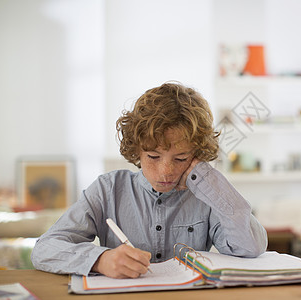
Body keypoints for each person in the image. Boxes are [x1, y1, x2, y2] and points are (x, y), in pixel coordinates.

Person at [31, 82, 268, 279]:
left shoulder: (206, 195)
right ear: (137, 150)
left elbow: (251, 247)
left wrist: (205, 177)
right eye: (153, 156)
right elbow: (44, 249)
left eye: (181, 158)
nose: (166, 171)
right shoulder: (107, 190)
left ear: (196, 155)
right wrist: (100, 260)